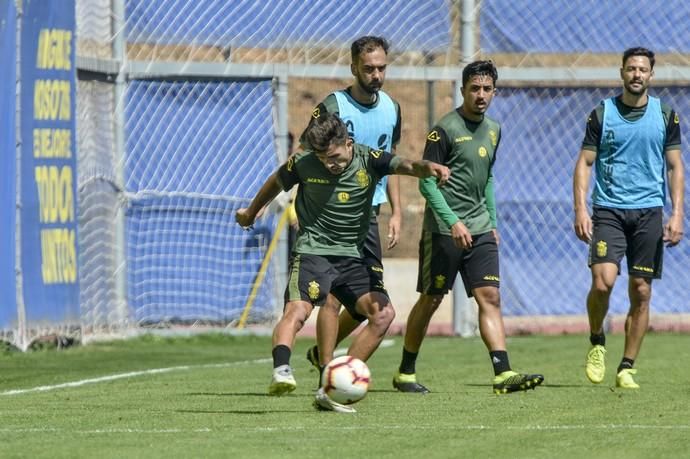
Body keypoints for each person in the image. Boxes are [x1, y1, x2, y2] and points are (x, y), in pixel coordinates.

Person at [235, 113, 449, 412]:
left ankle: (333, 384)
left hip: (353, 256)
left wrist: (430, 168)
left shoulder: (369, 159)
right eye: (323, 158)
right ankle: (281, 371)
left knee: (383, 315)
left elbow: (408, 165)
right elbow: (276, 182)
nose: (329, 164)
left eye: (334, 157)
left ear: (349, 144)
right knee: (297, 311)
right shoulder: (305, 162)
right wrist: (251, 211)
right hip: (314, 251)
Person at [392, 60, 545, 395]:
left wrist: (490, 221)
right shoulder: (443, 129)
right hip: (443, 231)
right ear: (462, 90)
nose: (481, 95)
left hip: (479, 229)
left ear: (494, 92)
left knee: (489, 296)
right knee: (431, 300)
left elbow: (487, 177)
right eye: (474, 88)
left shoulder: (494, 129)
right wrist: (453, 221)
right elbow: (427, 184)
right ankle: (405, 372)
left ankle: (502, 372)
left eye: (487, 89)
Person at [573, 47, 684, 389]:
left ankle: (626, 367)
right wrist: (580, 208)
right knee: (602, 282)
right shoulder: (602, 113)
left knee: (641, 291)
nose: (637, 74)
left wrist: (677, 213)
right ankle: (596, 339)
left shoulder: (665, 115)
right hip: (608, 211)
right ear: (621, 72)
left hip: (650, 212)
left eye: (643, 70)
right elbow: (584, 162)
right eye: (631, 68)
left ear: (652, 75)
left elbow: (675, 166)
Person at [300, 35, 403, 370]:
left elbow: (392, 162)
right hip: (333, 218)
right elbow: (306, 152)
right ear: (354, 67)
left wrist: (396, 211)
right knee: (331, 297)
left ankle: (323, 360)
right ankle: (328, 373)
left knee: (366, 304)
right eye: (368, 68)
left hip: (369, 217)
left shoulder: (392, 108)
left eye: (381, 68)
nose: (376, 75)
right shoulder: (334, 106)